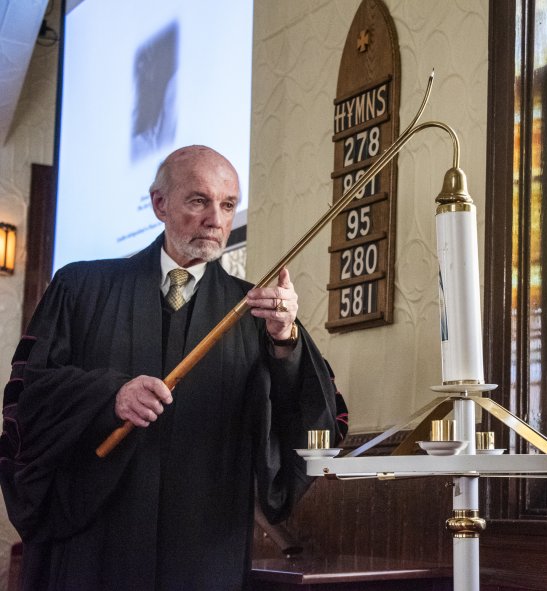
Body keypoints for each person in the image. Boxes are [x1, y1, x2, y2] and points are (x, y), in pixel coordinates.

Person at [0, 145, 348, 590]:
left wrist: (286, 343)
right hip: (95, 537)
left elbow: (311, 416)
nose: (216, 220)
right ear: (159, 204)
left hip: (202, 548)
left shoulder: (255, 312)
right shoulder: (80, 289)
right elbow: (29, 396)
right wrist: (111, 396)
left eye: (227, 205)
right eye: (199, 201)